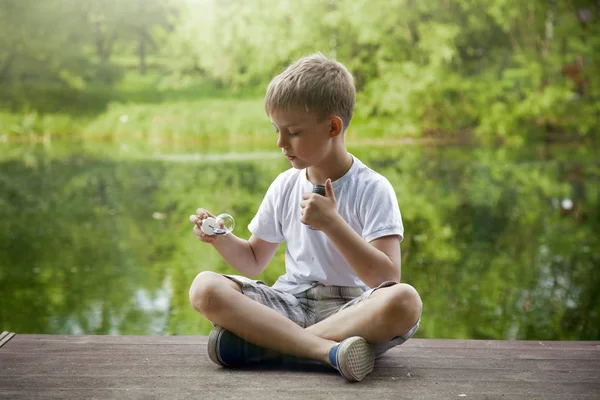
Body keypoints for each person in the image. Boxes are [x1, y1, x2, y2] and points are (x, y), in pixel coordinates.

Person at [188, 53, 422, 382]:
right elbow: (254, 260)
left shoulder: (373, 188)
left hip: (350, 312)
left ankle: (273, 345)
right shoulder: (285, 184)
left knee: (405, 301)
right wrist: (220, 238)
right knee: (205, 288)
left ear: (332, 127)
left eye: (293, 132)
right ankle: (325, 351)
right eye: (277, 130)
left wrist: (332, 223)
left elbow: (386, 276)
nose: (281, 143)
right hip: (290, 303)